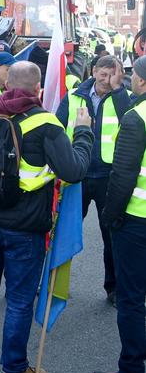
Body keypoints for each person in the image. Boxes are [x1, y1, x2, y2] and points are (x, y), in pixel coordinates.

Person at [0, 61, 92, 373]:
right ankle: (14, 370)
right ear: (38, 89)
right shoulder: (45, 123)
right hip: (25, 229)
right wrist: (83, 133)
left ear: (5, 86)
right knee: (18, 299)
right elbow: (73, 171)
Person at [57, 53, 131, 305]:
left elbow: (129, 122)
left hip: (108, 178)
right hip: (76, 175)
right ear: (93, 71)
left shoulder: (124, 98)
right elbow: (57, 131)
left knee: (112, 235)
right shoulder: (73, 96)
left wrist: (118, 90)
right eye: (102, 73)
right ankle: (56, 286)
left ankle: (114, 288)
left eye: (111, 74)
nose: (105, 78)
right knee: (63, 231)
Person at [93, 56, 146, 373]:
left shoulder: (136, 117)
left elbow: (123, 177)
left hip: (137, 223)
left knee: (131, 300)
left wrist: (111, 217)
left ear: (140, 81)